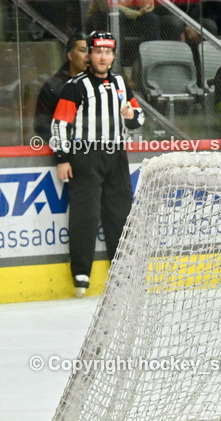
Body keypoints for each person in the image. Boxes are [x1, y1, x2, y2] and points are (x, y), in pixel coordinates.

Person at [50, 32, 144, 298]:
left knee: (121, 214)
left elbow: (139, 117)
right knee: (85, 215)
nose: (103, 57)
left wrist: (131, 114)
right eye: (98, 52)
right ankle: (81, 273)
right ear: (89, 55)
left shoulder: (120, 83)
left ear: (113, 56)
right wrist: (62, 158)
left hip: (116, 156)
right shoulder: (75, 85)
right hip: (85, 156)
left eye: (108, 52)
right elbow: (60, 124)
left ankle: (123, 272)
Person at [34, 33, 90, 142]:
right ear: (70, 55)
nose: (88, 56)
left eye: (90, 51)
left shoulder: (100, 83)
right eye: (83, 50)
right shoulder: (53, 85)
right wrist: (63, 142)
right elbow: (41, 125)